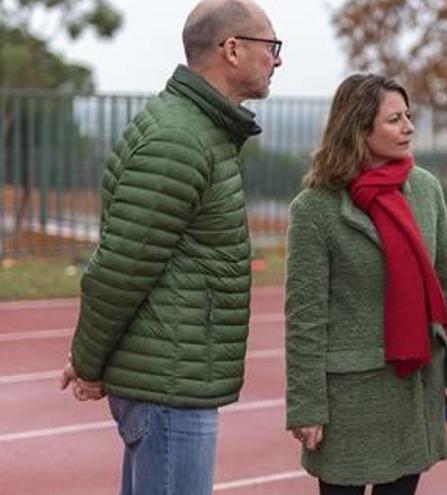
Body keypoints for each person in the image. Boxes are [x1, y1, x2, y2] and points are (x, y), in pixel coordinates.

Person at [59, 1, 281, 493]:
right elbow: (120, 268)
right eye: (271, 47)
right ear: (232, 49)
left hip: (171, 376)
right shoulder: (181, 139)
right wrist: (89, 363)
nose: (277, 60)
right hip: (169, 385)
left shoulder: (196, 130)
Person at [285, 73, 447, 495]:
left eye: (409, 116)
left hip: (414, 387)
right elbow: (305, 318)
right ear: (359, 127)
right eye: (394, 119)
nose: (408, 127)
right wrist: (306, 406)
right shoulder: (315, 209)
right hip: (350, 399)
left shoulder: (425, 189)